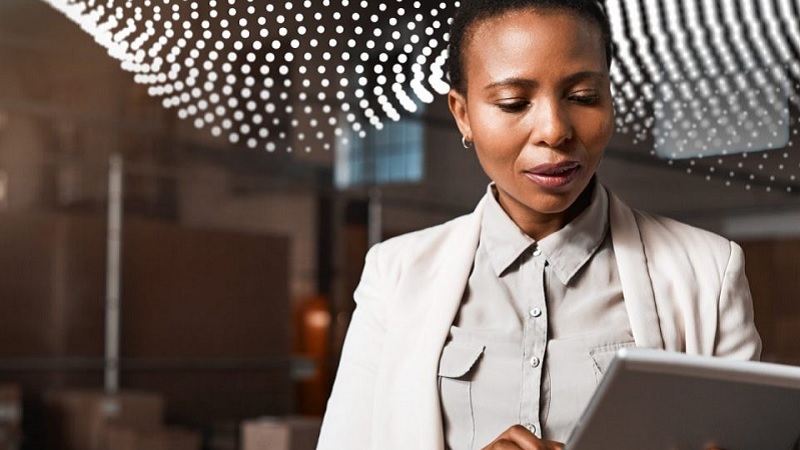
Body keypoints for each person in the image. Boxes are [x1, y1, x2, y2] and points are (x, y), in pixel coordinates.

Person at [316, 0, 762, 449]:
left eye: (583, 96)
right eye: (513, 103)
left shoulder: (710, 271)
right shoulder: (394, 273)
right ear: (463, 114)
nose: (554, 130)